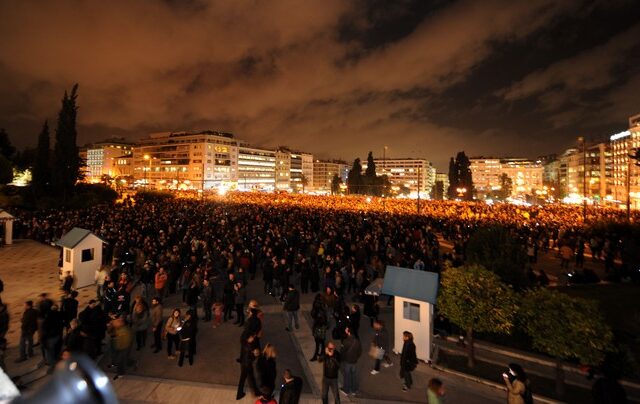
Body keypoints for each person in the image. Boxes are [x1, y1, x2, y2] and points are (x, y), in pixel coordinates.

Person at [340, 326, 361, 396]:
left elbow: (342, 352)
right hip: (354, 361)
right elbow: (359, 351)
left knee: (347, 375)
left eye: (346, 330)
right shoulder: (357, 341)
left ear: (348, 332)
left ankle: (346, 390)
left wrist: (342, 359)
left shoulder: (346, 341)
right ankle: (354, 390)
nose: (345, 330)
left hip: (348, 361)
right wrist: (356, 357)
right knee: (354, 375)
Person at [111, 316, 132, 380]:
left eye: (115, 323)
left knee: (120, 361)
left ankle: (120, 374)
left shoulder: (125, 331)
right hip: (119, 348)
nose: (114, 324)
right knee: (123, 360)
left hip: (123, 348)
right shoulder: (118, 328)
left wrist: (120, 348)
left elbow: (126, 341)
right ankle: (132, 363)